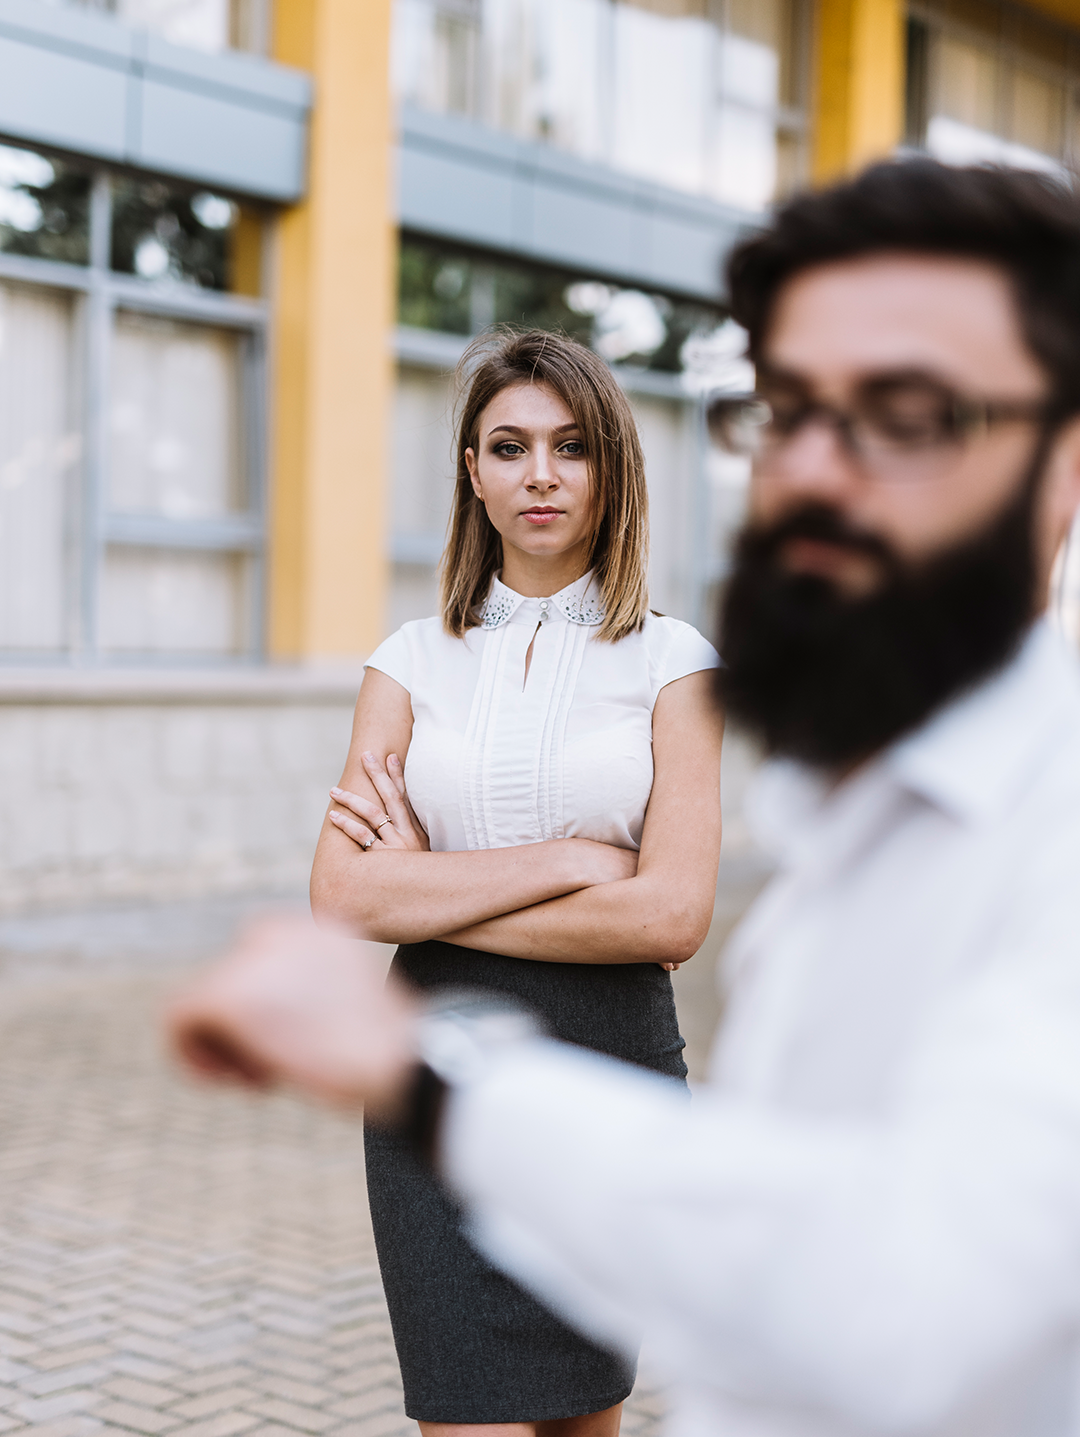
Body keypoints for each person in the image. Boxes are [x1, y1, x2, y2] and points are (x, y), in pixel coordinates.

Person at [171, 159, 1080, 1437]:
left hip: (591, 1047)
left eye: (906, 412)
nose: (816, 472)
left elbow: (898, 1299)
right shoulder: (852, 826)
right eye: (787, 413)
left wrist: (433, 1067)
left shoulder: (1039, 833)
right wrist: (568, 864)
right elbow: (352, 893)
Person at [306, 329, 724, 1436]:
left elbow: (672, 913)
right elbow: (343, 899)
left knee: (585, 1418)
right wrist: (574, 864)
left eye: (571, 447)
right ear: (473, 472)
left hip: (614, 1075)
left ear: (610, 469)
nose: (541, 474)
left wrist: (428, 886)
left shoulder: (676, 665)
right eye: (509, 447)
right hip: (433, 1078)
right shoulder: (408, 661)